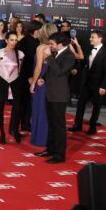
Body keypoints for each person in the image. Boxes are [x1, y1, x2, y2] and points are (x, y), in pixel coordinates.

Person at [35, 34, 77, 164]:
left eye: (52, 43)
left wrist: (49, 57)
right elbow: (51, 71)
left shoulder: (70, 56)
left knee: (59, 126)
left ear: (60, 43)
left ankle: (59, 155)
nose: (50, 46)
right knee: (51, 123)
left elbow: (59, 71)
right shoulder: (55, 53)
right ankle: (50, 149)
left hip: (59, 95)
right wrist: (43, 78)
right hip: (50, 93)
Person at [70, 29, 106, 134]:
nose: (90, 39)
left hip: (98, 84)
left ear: (100, 39)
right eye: (91, 37)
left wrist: (103, 87)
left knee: (96, 106)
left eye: (93, 37)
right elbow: (83, 61)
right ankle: (77, 125)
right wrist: (77, 68)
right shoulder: (89, 49)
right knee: (81, 104)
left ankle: (92, 127)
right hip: (86, 82)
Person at [0, 32, 24, 144]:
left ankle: (14, 129)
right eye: (11, 40)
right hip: (2, 83)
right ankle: (2, 133)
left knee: (17, 107)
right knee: (0, 108)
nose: (14, 42)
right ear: (6, 40)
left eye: (15, 40)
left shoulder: (20, 54)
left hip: (15, 83)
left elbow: (19, 70)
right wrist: (1, 80)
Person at [28, 24, 54, 148]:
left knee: (40, 109)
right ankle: (48, 138)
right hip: (51, 82)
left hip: (41, 81)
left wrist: (33, 82)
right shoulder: (56, 47)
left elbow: (38, 67)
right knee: (48, 110)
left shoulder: (41, 47)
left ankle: (40, 139)